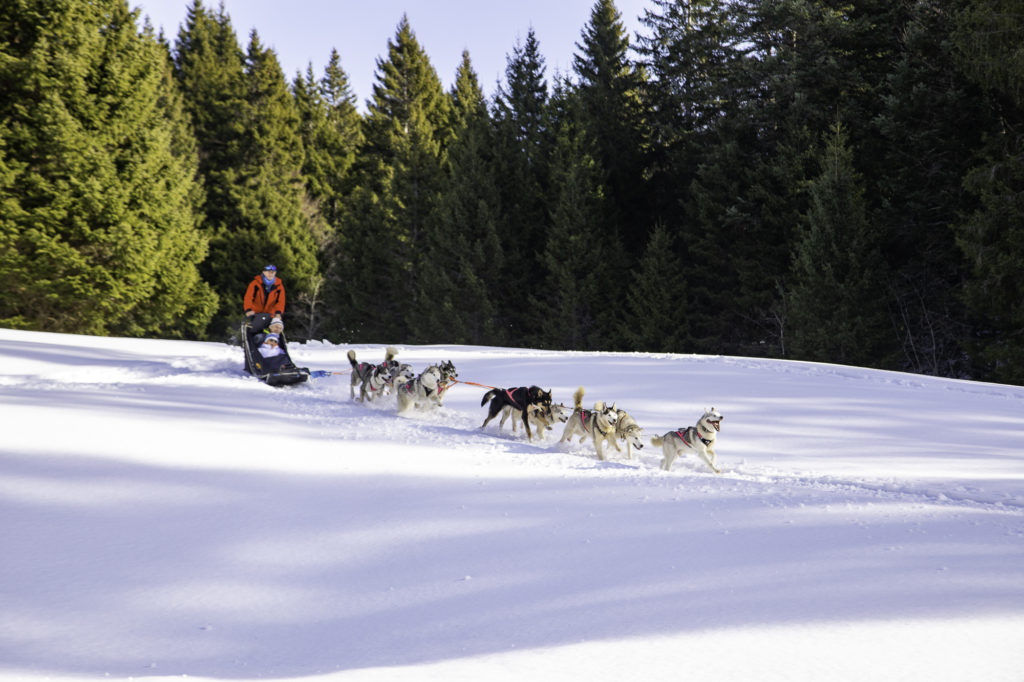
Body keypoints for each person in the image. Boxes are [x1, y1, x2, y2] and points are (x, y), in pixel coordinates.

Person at [244, 264, 286, 332]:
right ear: (263, 272)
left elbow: (281, 301)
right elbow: (248, 297)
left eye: (273, 272)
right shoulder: (255, 284)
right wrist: (248, 310)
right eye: (268, 272)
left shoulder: (279, 286)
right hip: (255, 313)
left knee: (275, 327)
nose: (271, 274)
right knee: (253, 329)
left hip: (271, 315)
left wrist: (278, 312)